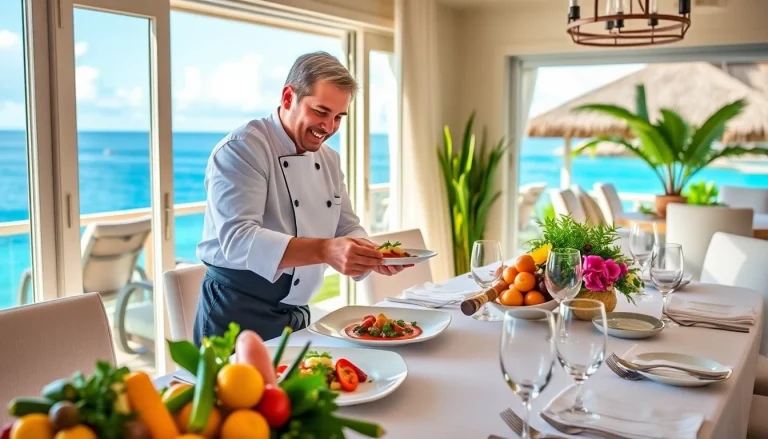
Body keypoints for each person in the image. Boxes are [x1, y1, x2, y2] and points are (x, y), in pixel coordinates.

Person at [193, 51, 409, 346]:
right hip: (235, 313)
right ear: (287, 97)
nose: (329, 127)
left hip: (295, 316)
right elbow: (239, 240)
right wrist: (325, 251)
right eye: (320, 112)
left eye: (338, 117)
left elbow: (345, 227)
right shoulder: (242, 149)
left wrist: (370, 255)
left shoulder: (330, 159)